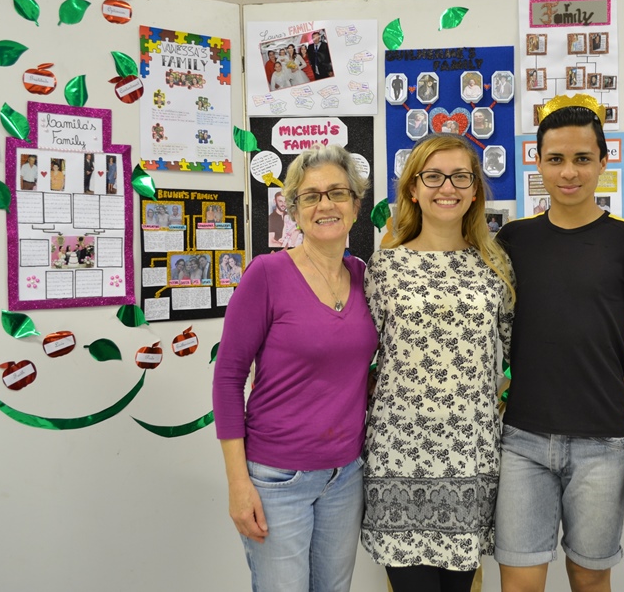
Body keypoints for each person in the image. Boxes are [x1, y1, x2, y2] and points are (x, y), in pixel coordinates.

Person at [494, 97, 624, 592]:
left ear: (603, 161)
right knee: (519, 583)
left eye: (582, 159)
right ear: (537, 161)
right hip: (522, 442)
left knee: (590, 579)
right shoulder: (512, 242)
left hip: (603, 446)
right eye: (555, 159)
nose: (568, 172)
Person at [213, 144, 376, 592]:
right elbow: (228, 379)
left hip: (346, 474)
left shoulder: (364, 276)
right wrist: (238, 484)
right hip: (277, 478)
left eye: (337, 193)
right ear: (294, 210)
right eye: (311, 196)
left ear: (355, 205)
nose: (325, 205)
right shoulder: (266, 274)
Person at [362, 135, 515, 592]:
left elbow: (521, 354)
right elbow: (357, 359)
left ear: (474, 191)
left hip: (469, 457)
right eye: (433, 176)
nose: (447, 187)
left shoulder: (495, 266)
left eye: (460, 177)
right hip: (398, 458)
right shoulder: (384, 267)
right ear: (413, 189)